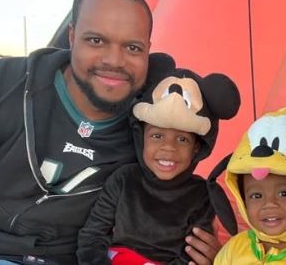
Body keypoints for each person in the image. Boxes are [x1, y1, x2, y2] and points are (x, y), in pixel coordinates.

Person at [0, 0, 220, 264]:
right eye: (96, 40)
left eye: (132, 48)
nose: (114, 60)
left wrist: (204, 253)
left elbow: (167, 205)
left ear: (148, 49)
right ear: (72, 36)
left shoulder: (150, 125)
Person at [77, 66, 241, 265]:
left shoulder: (202, 194)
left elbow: (193, 251)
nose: (169, 147)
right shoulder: (124, 179)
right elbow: (93, 234)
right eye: (157, 136)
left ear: (197, 148)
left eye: (182, 139)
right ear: (141, 138)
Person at [215, 107, 286, 264]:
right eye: (256, 196)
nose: (270, 204)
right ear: (243, 200)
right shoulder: (233, 248)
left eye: (284, 193)